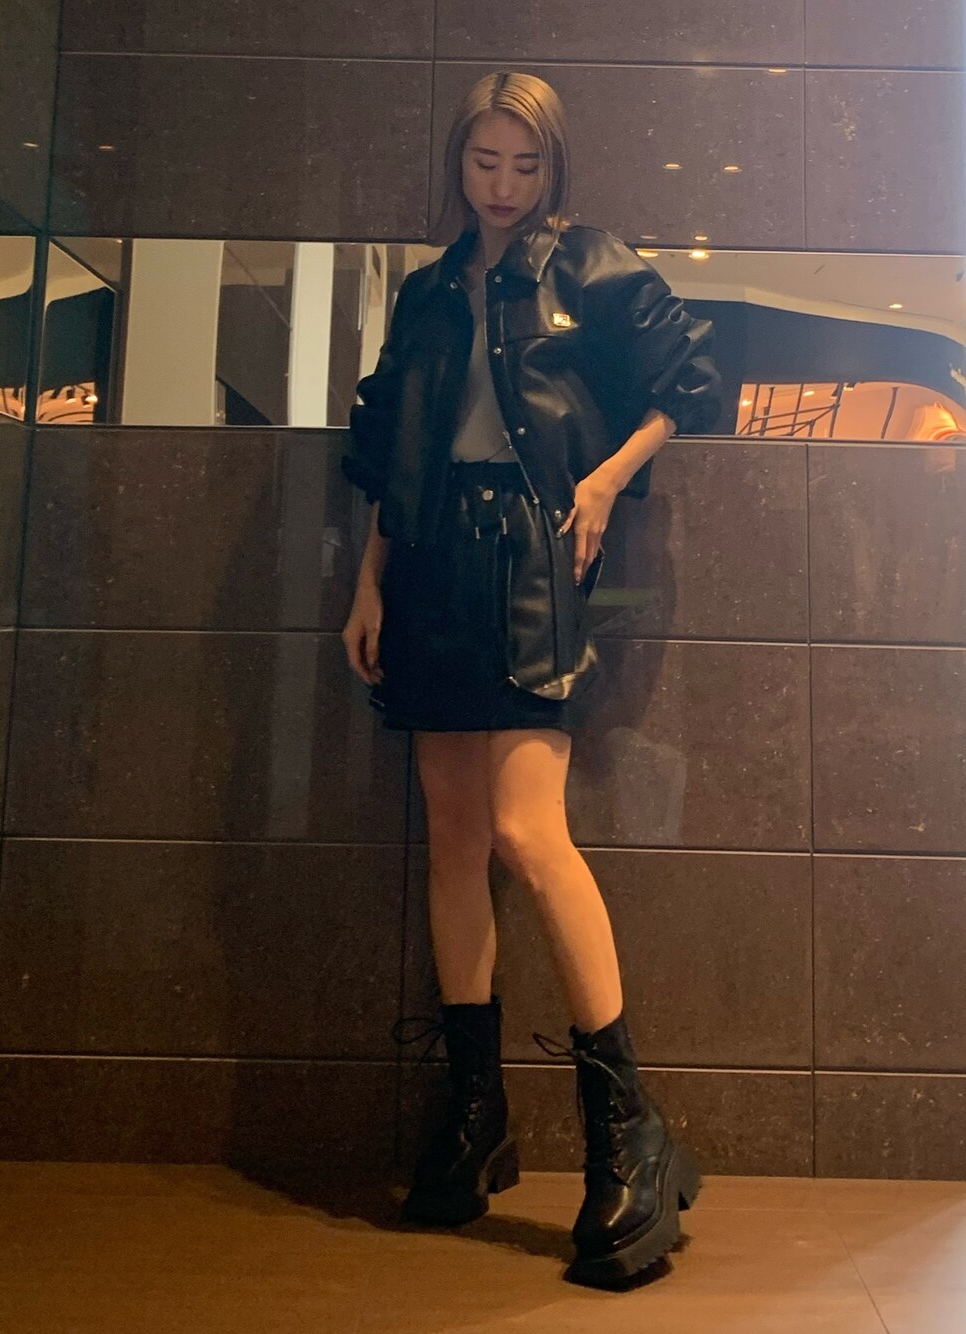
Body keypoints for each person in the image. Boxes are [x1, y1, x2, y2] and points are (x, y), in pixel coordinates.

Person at [341, 70, 721, 1290]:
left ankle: (628, 1128)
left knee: (524, 829)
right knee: (454, 836)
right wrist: (368, 583)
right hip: (426, 562)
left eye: (525, 165)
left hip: (529, 560)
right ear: (458, 162)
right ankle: (474, 1112)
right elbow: (387, 451)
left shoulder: (588, 264)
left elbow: (691, 385)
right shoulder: (425, 293)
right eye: (484, 162)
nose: (502, 186)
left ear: (552, 168)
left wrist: (605, 477)